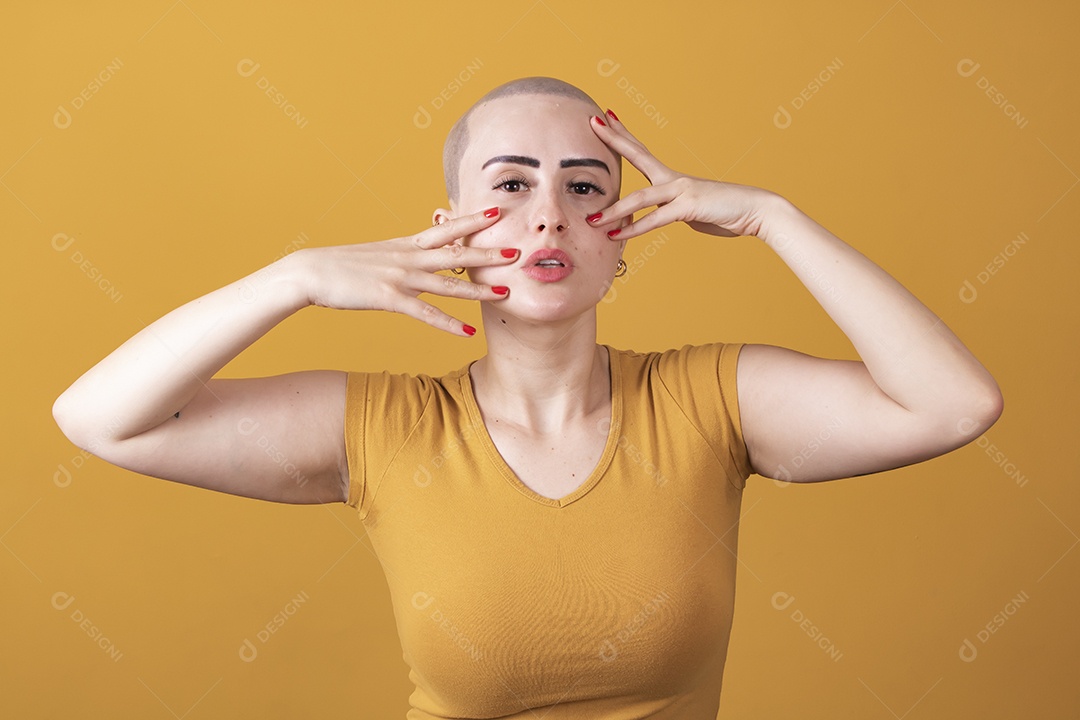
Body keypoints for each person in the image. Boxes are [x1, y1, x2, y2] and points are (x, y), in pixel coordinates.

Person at [52, 76, 1003, 718]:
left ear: (625, 235)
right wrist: (293, 277)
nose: (548, 211)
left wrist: (773, 217)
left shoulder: (712, 401)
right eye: (509, 185)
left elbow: (952, 406)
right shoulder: (385, 427)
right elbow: (99, 418)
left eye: (585, 186)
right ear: (452, 231)